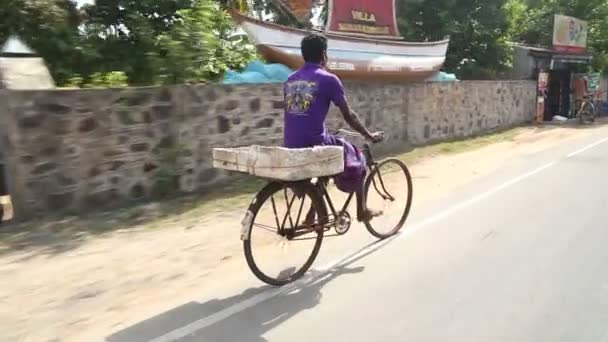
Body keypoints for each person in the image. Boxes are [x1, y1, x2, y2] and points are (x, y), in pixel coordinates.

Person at [283, 33, 383, 223]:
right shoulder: (329, 79)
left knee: (328, 163)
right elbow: (349, 116)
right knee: (358, 157)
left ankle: (311, 216)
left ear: (303, 55)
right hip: (315, 142)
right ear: (324, 54)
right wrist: (368, 135)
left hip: (291, 144)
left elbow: (300, 115)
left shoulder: (290, 79)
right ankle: (362, 211)